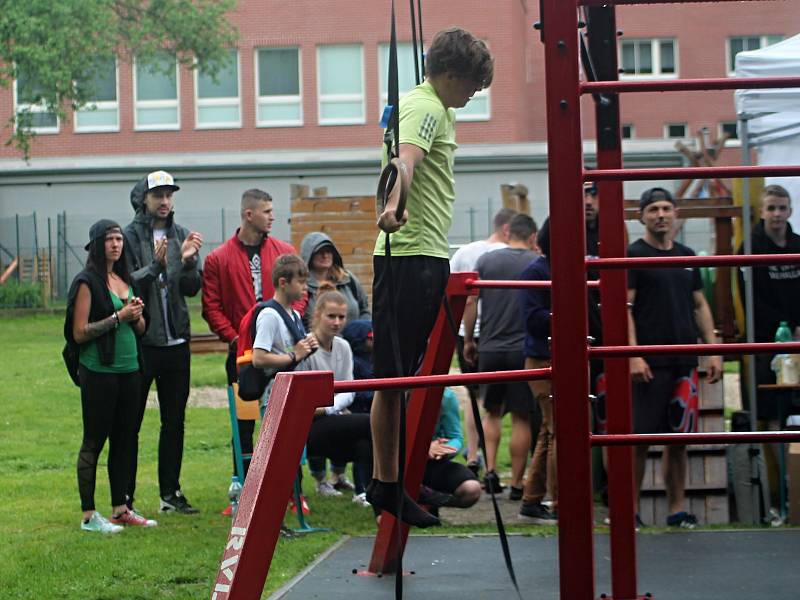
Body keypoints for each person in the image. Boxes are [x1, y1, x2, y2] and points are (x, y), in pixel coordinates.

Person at [367, 27, 494, 528]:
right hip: (409, 256)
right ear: (449, 75)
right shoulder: (426, 107)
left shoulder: (429, 106)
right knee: (393, 379)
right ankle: (386, 482)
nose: (473, 95)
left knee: (401, 379)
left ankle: (394, 478)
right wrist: (393, 205)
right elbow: (405, 160)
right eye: (472, 85)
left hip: (421, 255)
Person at [628, 187, 722, 528]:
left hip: (684, 359)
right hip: (649, 362)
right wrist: (633, 355)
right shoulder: (633, 255)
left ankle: (676, 509)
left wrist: (711, 349)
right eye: (653, 209)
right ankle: (630, 511)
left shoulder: (686, 256)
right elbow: (624, 307)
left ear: (676, 213)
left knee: (679, 440)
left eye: (667, 208)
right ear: (642, 216)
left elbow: (699, 305)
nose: (661, 215)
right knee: (638, 441)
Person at [202, 189, 301, 499]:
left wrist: (287, 330)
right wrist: (236, 338)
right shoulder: (218, 258)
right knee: (243, 417)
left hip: (283, 353)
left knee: (285, 419)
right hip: (242, 353)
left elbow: (301, 294)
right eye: (267, 211)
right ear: (249, 214)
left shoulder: (284, 252)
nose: (273, 216)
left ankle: (291, 485)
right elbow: (211, 305)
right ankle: (240, 480)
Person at [65, 219, 155, 532]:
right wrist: (119, 317)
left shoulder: (124, 278)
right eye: (109, 239)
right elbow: (79, 333)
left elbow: (140, 328)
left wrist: (136, 314)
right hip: (99, 373)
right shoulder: (87, 281)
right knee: (94, 441)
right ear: (96, 244)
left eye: (119, 239)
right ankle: (89, 516)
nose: (116, 244)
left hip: (131, 371)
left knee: (124, 440)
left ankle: (121, 508)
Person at [124, 170, 203, 515]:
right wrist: (166, 263)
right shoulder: (126, 238)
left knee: (175, 420)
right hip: (143, 341)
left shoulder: (182, 235)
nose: (165, 201)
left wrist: (188, 263)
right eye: (158, 195)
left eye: (170, 195)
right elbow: (129, 285)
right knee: (131, 421)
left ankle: (170, 493)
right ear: (144, 198)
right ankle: (123, 497)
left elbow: (190, 288)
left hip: (177, 344)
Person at [463, 213, 538, 499]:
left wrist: (470, 339)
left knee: (491, 412)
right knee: (521, 417)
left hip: (491, 348)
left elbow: (471, 301)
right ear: (532, 238)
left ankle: (491, 471)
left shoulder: (486, 261)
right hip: (523, 350)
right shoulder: (536, 263)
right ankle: (518, 484)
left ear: (508, 234)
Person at [449, 207, 517, 477]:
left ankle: (473, 454)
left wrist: (461, 335)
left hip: (467, 332)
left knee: (473, 396)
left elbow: (454, 291)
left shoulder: (464, 252)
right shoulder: (511, 255)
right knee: (499, 404)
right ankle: (491, 464)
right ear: (508, 230)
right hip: (496, 332)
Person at [293, 285, 374, 508]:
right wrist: (331, 407)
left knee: (365, 437)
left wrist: (329, 406)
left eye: (341, 317)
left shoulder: (344, 347)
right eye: (331, 316)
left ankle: (364, 490)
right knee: (372, 422)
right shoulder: (306, 347)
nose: (337, 322)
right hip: (308, 425)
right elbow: (306, 401)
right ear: (318, 315)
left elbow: (348, 389)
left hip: (332, 415)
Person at [738, 185, 800, 420]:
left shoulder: (798, 245)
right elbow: (750, 300)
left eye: (782, 208)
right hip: (765, 341)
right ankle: (775, 457)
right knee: (770, 411)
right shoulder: (750, 249)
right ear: (762, 212)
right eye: (771, 208)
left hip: (798, 338)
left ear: (790, 211)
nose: (777, 214)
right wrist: (789, 326)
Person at [516, 218, 558, 524]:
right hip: (543, 359)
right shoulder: (536, 271)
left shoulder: (557, 269)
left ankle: (532, 498)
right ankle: (559, 501)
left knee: (549, 430)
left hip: (552, 356)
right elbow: (532, 318)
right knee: (557, 431)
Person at [422, 388, 482, 518]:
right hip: (400, 465)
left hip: (433, 463)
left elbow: (455, 437)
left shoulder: (446, 395)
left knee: (472, 489)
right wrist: (424, 449)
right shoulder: (397, 394)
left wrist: (444, 449)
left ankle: (430, 502)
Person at [299, 232, 371, 328]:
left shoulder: (347, 279)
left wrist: (361, 331)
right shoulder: (302, 286)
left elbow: (364, 309)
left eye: (328, 251)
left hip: (354, 341)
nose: (325, 256)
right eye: (320, 252)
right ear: (309, 255)